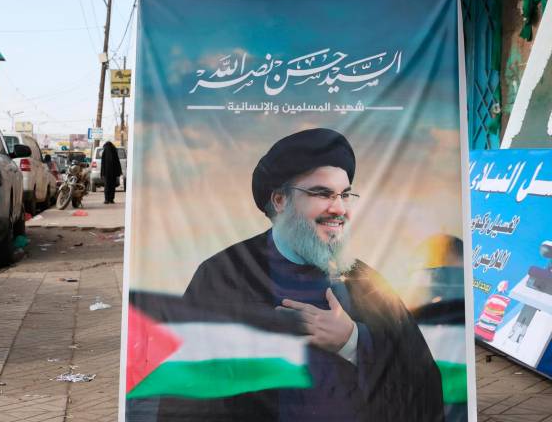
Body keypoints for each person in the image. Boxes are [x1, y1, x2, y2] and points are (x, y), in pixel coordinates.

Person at [156, 128, 444, 421]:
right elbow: (187, 391)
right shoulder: (224, 275)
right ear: (280, 201)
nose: (339, 208)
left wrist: (352, 341)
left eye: (345, 194)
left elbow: (422, 382)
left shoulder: (365, 283)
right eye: (322, 194)